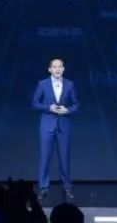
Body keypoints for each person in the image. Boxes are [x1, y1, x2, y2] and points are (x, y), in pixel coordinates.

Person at [32, 58, 79, 201]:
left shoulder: (70, 84)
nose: (57, 69)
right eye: (54, 67)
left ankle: (67, 187)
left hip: (63, 125)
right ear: (50, 69)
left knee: (64, 158)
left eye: (60, 67)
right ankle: (43, 188)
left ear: (63, 69)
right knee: (45, 158)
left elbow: (76, 104)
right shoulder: (42, 84)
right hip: (47, 125)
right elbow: (35, 103)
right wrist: (49, 108)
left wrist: (67, 110)